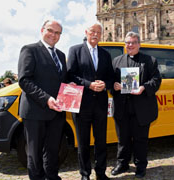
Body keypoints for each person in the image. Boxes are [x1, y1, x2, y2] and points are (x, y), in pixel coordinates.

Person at [17, 20, 67, 180]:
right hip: (35, 111)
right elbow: (24, 80)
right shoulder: (30, 50)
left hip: (57, 112)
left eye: (58, 33)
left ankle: (52, 176)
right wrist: (46, 99)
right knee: (34, 153)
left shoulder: (61, 55)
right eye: (51, 31)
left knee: (53, 150)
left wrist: (69, 85)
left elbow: (60, 80)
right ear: (42, 30)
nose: (54, 35)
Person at [67, 22, 113, 180]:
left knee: (101, 142)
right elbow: (70, 75)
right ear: (86, 32)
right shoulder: (75, 50)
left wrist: (104, 84)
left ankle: (101, 173)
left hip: (100, 104)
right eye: (93, 31)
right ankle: (85, 174)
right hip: (81, 105)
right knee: (83, 143)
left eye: (99, 32)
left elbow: (111, 76)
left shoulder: (106, 54)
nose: (96, 34)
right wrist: (89, 85)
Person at [111, 32, 162, 178]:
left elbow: (157, 80)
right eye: (127, 43)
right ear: (124, 44)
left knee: (140, 140)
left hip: (141, 108)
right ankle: (122, 164)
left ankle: (140, 166)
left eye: (133, 42)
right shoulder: (116, 61)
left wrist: (144, 87)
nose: (130, 45)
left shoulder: (150, 61)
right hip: (122, 108)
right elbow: (110, 81)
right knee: (123, 139)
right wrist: (113, 86)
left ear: (139, 44)